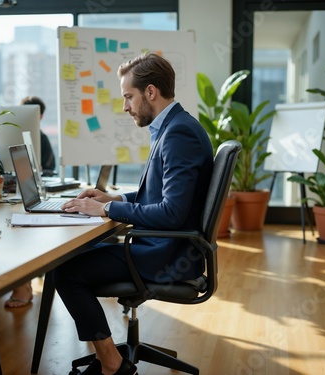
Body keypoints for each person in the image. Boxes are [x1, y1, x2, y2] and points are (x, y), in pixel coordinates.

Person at [53, 53, 214, 375]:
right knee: (74, 256)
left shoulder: (178, 134)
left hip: (166, 253)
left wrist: (107, 209)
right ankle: (109, 359)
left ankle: (112, 364)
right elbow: (160, 197)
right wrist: (113, 197)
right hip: (163, 245)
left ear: (150, 92)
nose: (125, 106)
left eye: (129, 96)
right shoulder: (173, 126)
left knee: (64, 273)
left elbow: (170, 213)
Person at [3, 95, 57, 309]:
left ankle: (23, 284)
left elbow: (50, 168)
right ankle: (22, 282)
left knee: (23, 227)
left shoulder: (41, 138)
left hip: (35, 188)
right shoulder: (9, 134)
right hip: (14, 190)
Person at [20, 95, 56, 174]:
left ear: (41, 116)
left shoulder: (42, 138)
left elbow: (50, 168)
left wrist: (40, 171)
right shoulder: (11, 135)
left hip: (37, 181)